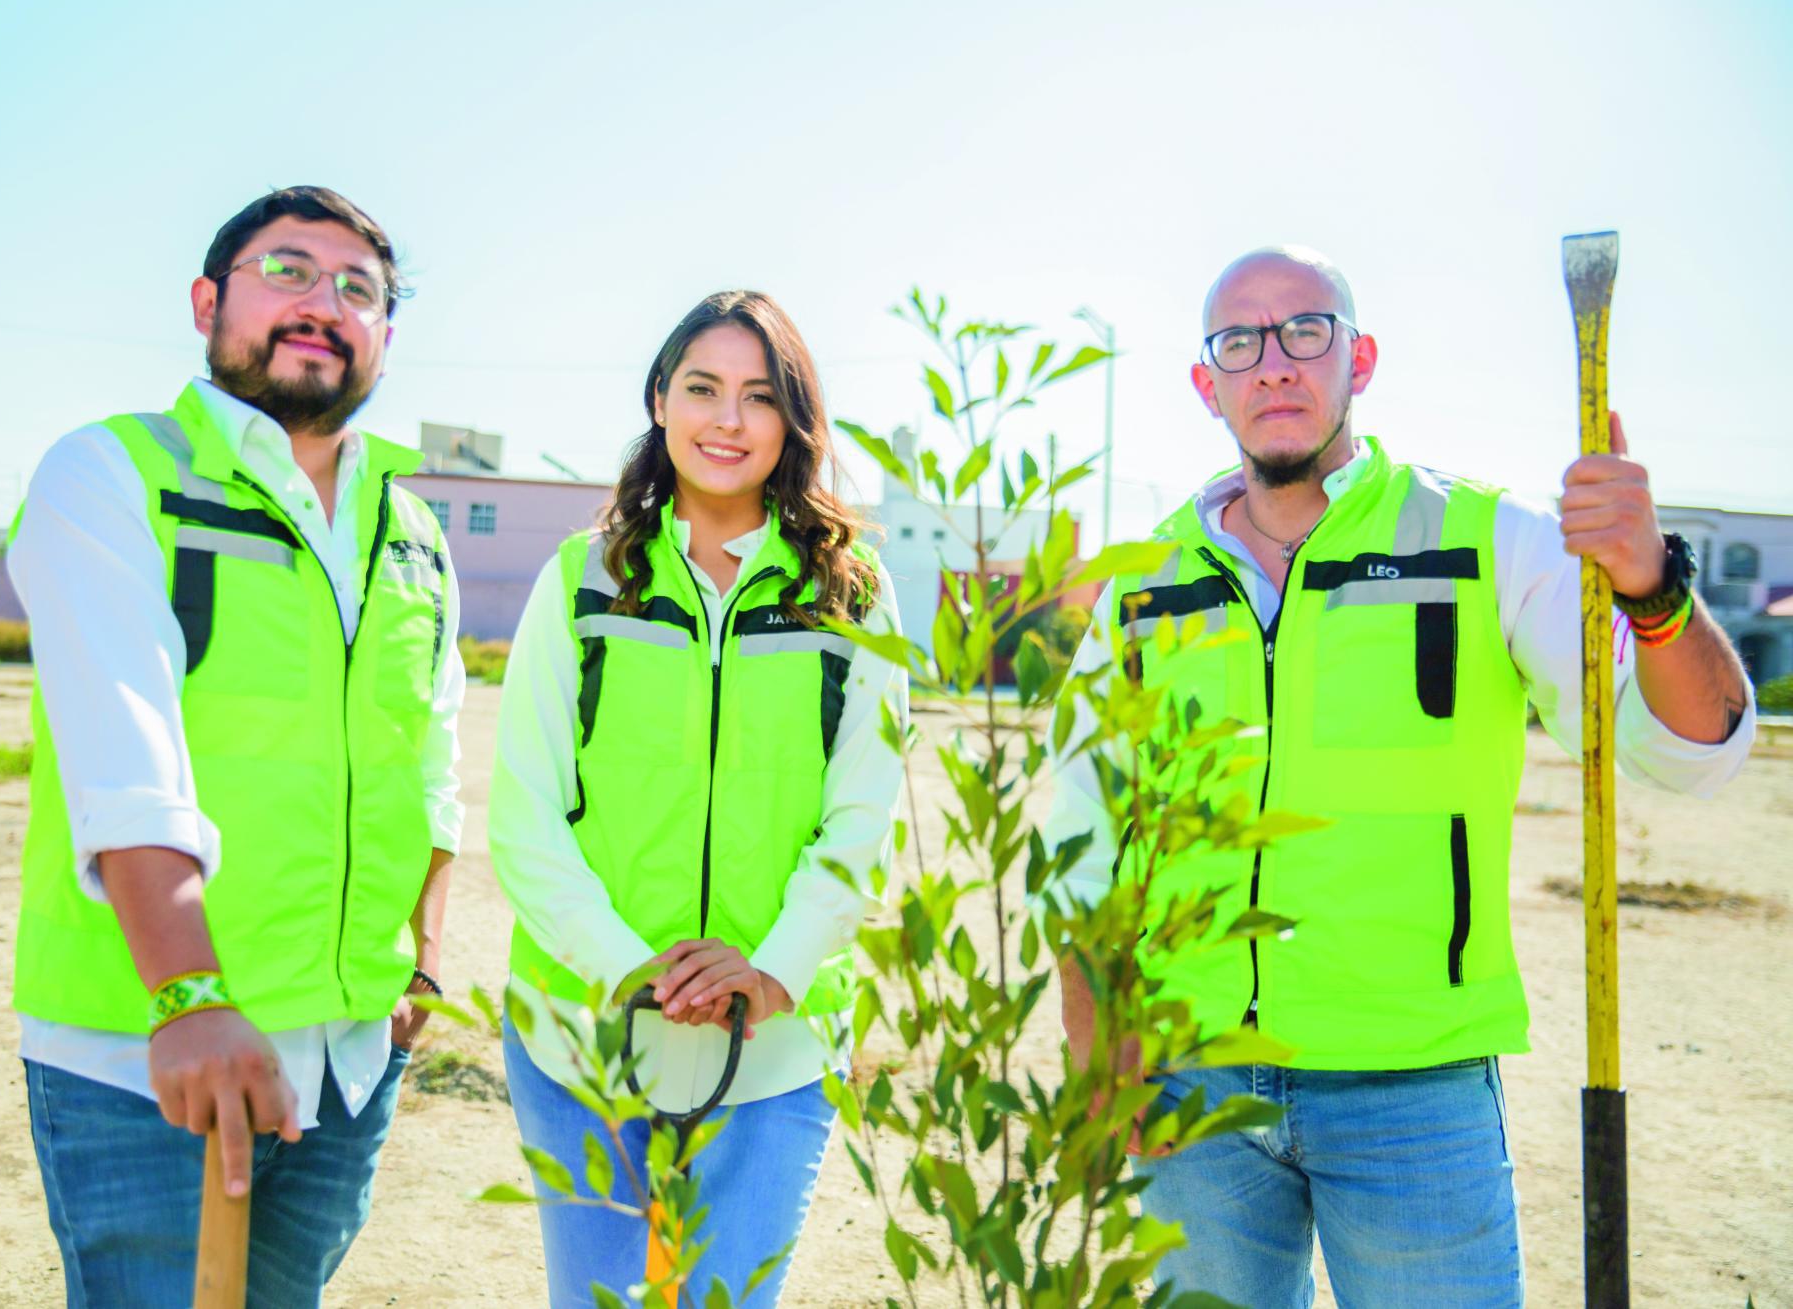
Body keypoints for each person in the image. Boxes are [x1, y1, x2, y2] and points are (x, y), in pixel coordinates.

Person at [1046, 246, 1755, 1307]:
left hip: (1413, 1088)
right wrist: (1096, 1039)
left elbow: (1688, 754)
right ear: (1206, 384)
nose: (1273, 362)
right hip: (1191, 1092)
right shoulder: (1142, 583)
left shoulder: (1482, 542)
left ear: (1358, 359)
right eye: (1238, 341)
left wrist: (1650, 587)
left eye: (1305, 331)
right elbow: (1080, 832)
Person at [8, 185, 463, 1307]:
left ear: (385, 338)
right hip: (150, 1051)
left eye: (359, 289)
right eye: (288, 272)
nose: (324, 303)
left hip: (345, 1061)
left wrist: (423, 967)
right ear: (209, 300)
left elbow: (432, 764)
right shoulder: (114, 473)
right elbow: (126, 758)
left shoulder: (410, 530)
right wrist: (190, 996)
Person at [488, 290, 907, 1306]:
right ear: (659, 401)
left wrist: (771, 966)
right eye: (703, 389)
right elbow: (524, 811)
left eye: (759, 397)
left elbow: (863, 813)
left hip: (774, 1049)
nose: (727, 420)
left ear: (794, 421)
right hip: (582, 1036)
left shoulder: (851, 597)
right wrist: (627, 966)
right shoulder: (583, 580)